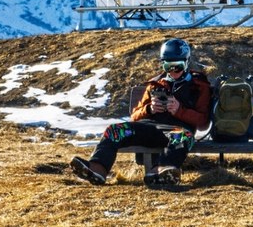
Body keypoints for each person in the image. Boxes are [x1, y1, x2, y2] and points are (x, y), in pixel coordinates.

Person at [70, 38, 211, 187]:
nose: (173, 71)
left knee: (182, 136)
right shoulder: (156, 84)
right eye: (168, 66)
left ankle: (161, 172)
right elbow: (135, 115)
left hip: (177, 131)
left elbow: (203, 122)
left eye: (178, 66)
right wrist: (149, 109)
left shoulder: (199, 86)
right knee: (115, 130)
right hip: (149, 128)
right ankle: (97, 169)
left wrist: (179, 111)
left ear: (187, 62)